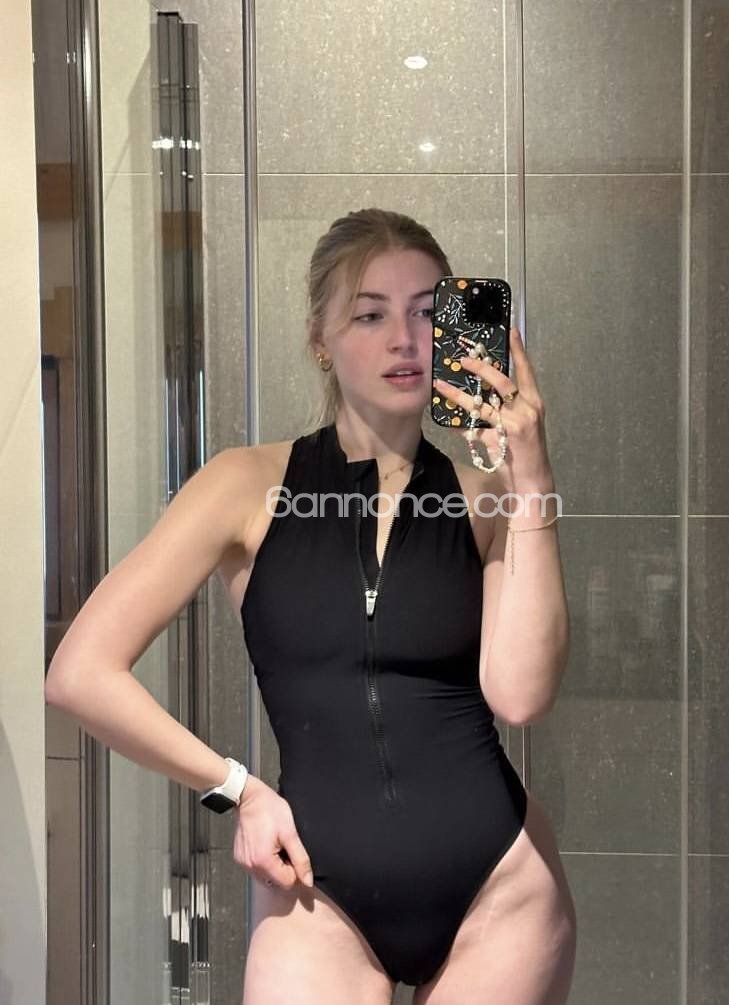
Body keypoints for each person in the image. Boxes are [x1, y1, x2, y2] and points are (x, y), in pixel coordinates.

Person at [45, 208, 576, 1004]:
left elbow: (522, 695)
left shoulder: (486, 499)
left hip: (500, 889)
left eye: (428, 312)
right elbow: (79, 672)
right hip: (316, 892)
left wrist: (532, 480)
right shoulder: (242, 484)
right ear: (320, 339)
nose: (405, 339)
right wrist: (238, 787)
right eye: (370, 315)